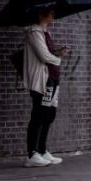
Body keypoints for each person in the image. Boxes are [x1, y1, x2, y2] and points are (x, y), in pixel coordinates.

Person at [22, 9, 65, 167]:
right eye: (51, 14)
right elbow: (44, 56)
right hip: (43, 80)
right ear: (41, 15)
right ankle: (32, 154)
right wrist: (58, 58)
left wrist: (57, 53)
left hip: (52, 78)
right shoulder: (34, 32)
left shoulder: (44, 33)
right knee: (39, 115)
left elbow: (48, 54)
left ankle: (42, 150)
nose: (53, 16)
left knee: (49, 114)